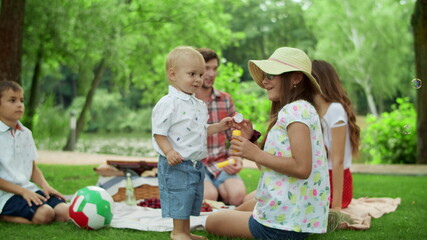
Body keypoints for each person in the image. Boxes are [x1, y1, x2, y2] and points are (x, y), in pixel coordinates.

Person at [205, 47, 330, 240]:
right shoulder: (303, 109)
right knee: (242, 207)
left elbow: (302, 167)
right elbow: (270, 168)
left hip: (282, 225)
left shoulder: (294, 111)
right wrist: (252, 141)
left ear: (296, 78)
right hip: (297, 220)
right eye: (265, 75)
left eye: (271, 75)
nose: (264, 81)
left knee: (211, 222)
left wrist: (253, 153)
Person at [151, 46, 234, 240]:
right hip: (176, 163)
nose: (198, 79)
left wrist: (219, 126)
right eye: (192, 74)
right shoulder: (169, 103)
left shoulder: (196, 103)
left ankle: (185, 231)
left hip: (195, 163)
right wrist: (169, 152)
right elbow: (159, 133)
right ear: (173, 74)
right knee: (180, 195)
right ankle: (178, 232)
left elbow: (201, 130)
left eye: (200, 74)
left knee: (189, 197)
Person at [0, 80, 69, 224]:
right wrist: (23, 192)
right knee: (45, 214)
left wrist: (45, 186)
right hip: (5, 195)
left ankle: (34, 211)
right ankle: (4, 216)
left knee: (65, 212)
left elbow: (32, 169)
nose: (19, 104)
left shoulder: (26, 134)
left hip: (28, 189)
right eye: (12, 100)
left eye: (21, 100)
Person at [195, 48, 246, 206]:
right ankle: (212, 193)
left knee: (237, 196)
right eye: (206, 68)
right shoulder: (186, 102)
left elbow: (235, 136)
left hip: (221, 164)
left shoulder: (225, 100)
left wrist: (236, 158)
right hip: (196, 167)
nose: (211, 74)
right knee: (209, 195)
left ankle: (219, 195)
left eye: (215, 69)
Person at [312, 60, 360, 210]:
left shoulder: (335, 110)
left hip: (336, 182)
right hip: (318, 178)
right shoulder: (312, 110)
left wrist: (337, 208)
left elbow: (338, 160)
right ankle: (236, 212)